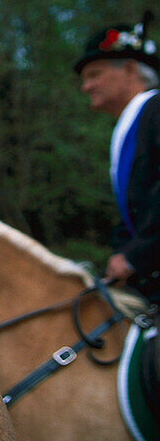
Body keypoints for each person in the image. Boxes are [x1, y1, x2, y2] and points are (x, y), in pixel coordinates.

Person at [75, 18, 160, 296]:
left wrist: (136, 255)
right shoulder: (136, 122)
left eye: (94, 74)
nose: (86, 87)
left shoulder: (155, 111)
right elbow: (136, 208)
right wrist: (123, 251)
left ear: (131, 69)